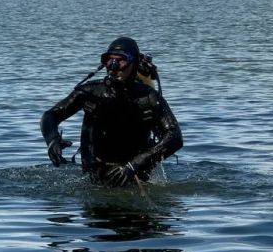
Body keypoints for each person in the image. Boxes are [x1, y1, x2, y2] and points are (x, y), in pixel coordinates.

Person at [40, 37, 183, 187]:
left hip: (135, 176)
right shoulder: (90, 93)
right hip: (94, 177)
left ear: (133, 64)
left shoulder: (149, 98)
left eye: (121, 60)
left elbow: (175, 137)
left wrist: (134, 165)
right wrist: (52, 140)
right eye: (108, 60)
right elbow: (50, 116)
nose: (113, 66)